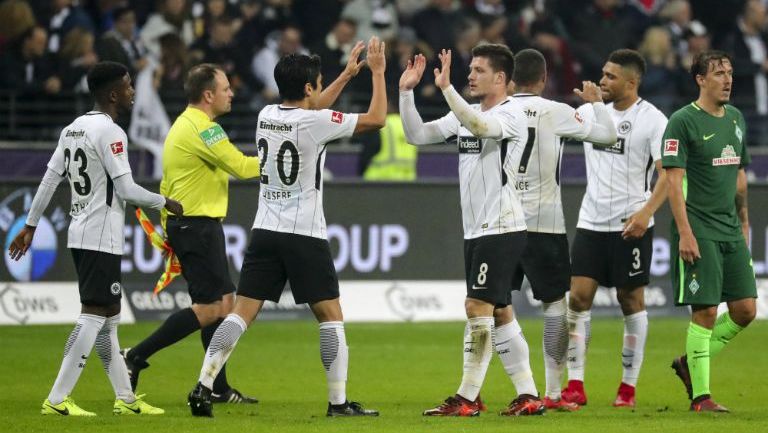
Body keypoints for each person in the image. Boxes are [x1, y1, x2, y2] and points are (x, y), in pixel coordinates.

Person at [186, 36, 386, 418]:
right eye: (318, 82)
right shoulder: (315, 122)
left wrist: (344, 75)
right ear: (309, 87)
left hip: (265, 230)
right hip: (305, 234)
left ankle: (204, 384)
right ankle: (338, 402)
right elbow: (375, 119)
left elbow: (313, 109)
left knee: (241, 314)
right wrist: (376, 73)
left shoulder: (266, 115)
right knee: (330, 316)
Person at [7, 61, 182, 416]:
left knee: (110, 316)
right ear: (114, 94)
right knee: (94, 313)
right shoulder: (112, 132)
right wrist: (165, 201)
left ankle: (126, 398)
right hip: (101, 235)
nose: (134, 92)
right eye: (129, 86)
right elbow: (127, 188)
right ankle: (57, 399)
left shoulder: (72, 129)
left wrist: (30, 224)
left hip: (79, 232)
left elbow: (49, 180)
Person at [400, 44, 543, 417]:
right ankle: (528, 395)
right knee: (500, 311)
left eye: (478, 70)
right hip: (478, 229)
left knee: (476, 306)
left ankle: (466, 398)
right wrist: (406, 91)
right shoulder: (467, 113)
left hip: (501, 225)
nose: (470, 75)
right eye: (471, 69)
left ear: (500, 78)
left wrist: (446, 90)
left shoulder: (512, 114)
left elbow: (481, 127)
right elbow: (416, 135)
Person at [120, 63, 260, 404]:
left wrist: (170, 226)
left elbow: (169, 182)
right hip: (196, 227)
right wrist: (285, 157)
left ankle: (218, 388)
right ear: (208, 95)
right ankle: (135, 355)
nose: (232, 93)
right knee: (212, 308)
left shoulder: (184, 125)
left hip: (193, 226)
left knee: (223, 304)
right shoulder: (204, 130)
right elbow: (242, 167)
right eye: (226, 88)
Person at [509, 48, 617, 411]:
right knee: (555, 306)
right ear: (543, 79)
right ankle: (552, 393)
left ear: (509, 79)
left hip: (501, 222)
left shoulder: (495, 111)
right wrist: (596, 103)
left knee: (489, 305)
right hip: (545, 223)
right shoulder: (556, 111)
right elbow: (606, 135)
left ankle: (485, 389)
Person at [561, 49, 669, 408]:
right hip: (592, 220)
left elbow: (668, 175)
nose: (602, 81)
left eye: (610, 76)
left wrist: (645, 213)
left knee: (631, 300)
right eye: (602, 74)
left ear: (631, 82)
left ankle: (628, 387)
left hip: (631, 223)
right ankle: (575, 384)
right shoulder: (592, 111)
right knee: (577, 297)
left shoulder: (653, 120)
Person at [665, 50, 756, 413]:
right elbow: (673, 182)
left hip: (731, 228)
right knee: (704, 311)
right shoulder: (682, 121)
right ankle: (701, 397)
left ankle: (689, 360)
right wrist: (685, 233)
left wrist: (745, 221)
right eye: (719, 73)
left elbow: (739, 176)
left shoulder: (735, 118)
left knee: (746, 310)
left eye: (730, 73)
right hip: (698, 227)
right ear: (700, 79)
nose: (727, 79)